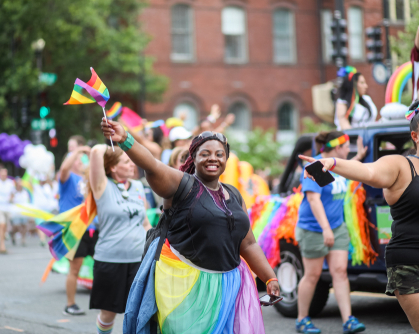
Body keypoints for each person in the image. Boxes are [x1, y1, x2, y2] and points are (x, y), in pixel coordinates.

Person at [101, 118, 280, 333]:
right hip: (185, 285)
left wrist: (269, 276)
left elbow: (248, 244)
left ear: (226, 159)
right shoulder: (182, 185)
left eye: (219, 154)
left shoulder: (233, 194)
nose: (212, 158)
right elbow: (151, 164)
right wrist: (125, 139)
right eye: (205, 153)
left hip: (229, 285)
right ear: (193, 157)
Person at [300, 100, 419, 334]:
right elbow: (369, 172)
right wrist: (332, 163)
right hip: (416, 267)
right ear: (415, 136)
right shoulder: (401, 165)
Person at [295, 131, 367, 334]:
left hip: (337, 227)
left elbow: (345, 171)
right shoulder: (316, 166)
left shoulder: (336, 165)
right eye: (346, 146)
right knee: (313, 275)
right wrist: (326, 229)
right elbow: (313, 199)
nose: (348, 149)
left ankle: (348, 320)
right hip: (313, 229)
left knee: (340, 272)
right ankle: (302, 319)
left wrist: (359, 157)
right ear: (336, 147)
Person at [88, 144, 150, 334]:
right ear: (113, 167)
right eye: (126, 161)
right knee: (108, 313)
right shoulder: (102, 186)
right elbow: (95, 152)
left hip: (138, 260)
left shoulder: (138, 186)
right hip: (110, 260)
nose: (133, 164)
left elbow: (144, 222)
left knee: (139, 312)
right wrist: (113, 143)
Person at [59, 144, 98, 316]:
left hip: (93, 229)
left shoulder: (90, 179)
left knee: (103, 266)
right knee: (74, 269)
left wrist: (92, 155)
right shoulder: (67, 179)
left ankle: (102, 302)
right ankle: (70, 304)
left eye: (81, 160)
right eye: (76, 160)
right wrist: (77, 151)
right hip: (75, 230)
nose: (79, 162)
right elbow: (64, 168)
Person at [9, 177, 30, 246]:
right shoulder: (13, 192)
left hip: (23, 211)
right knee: (16, 226)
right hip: (15, 212)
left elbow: (28, 201)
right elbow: (10, 200)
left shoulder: (25, 191)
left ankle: (23, 239)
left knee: (24, 225)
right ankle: (13, 233)